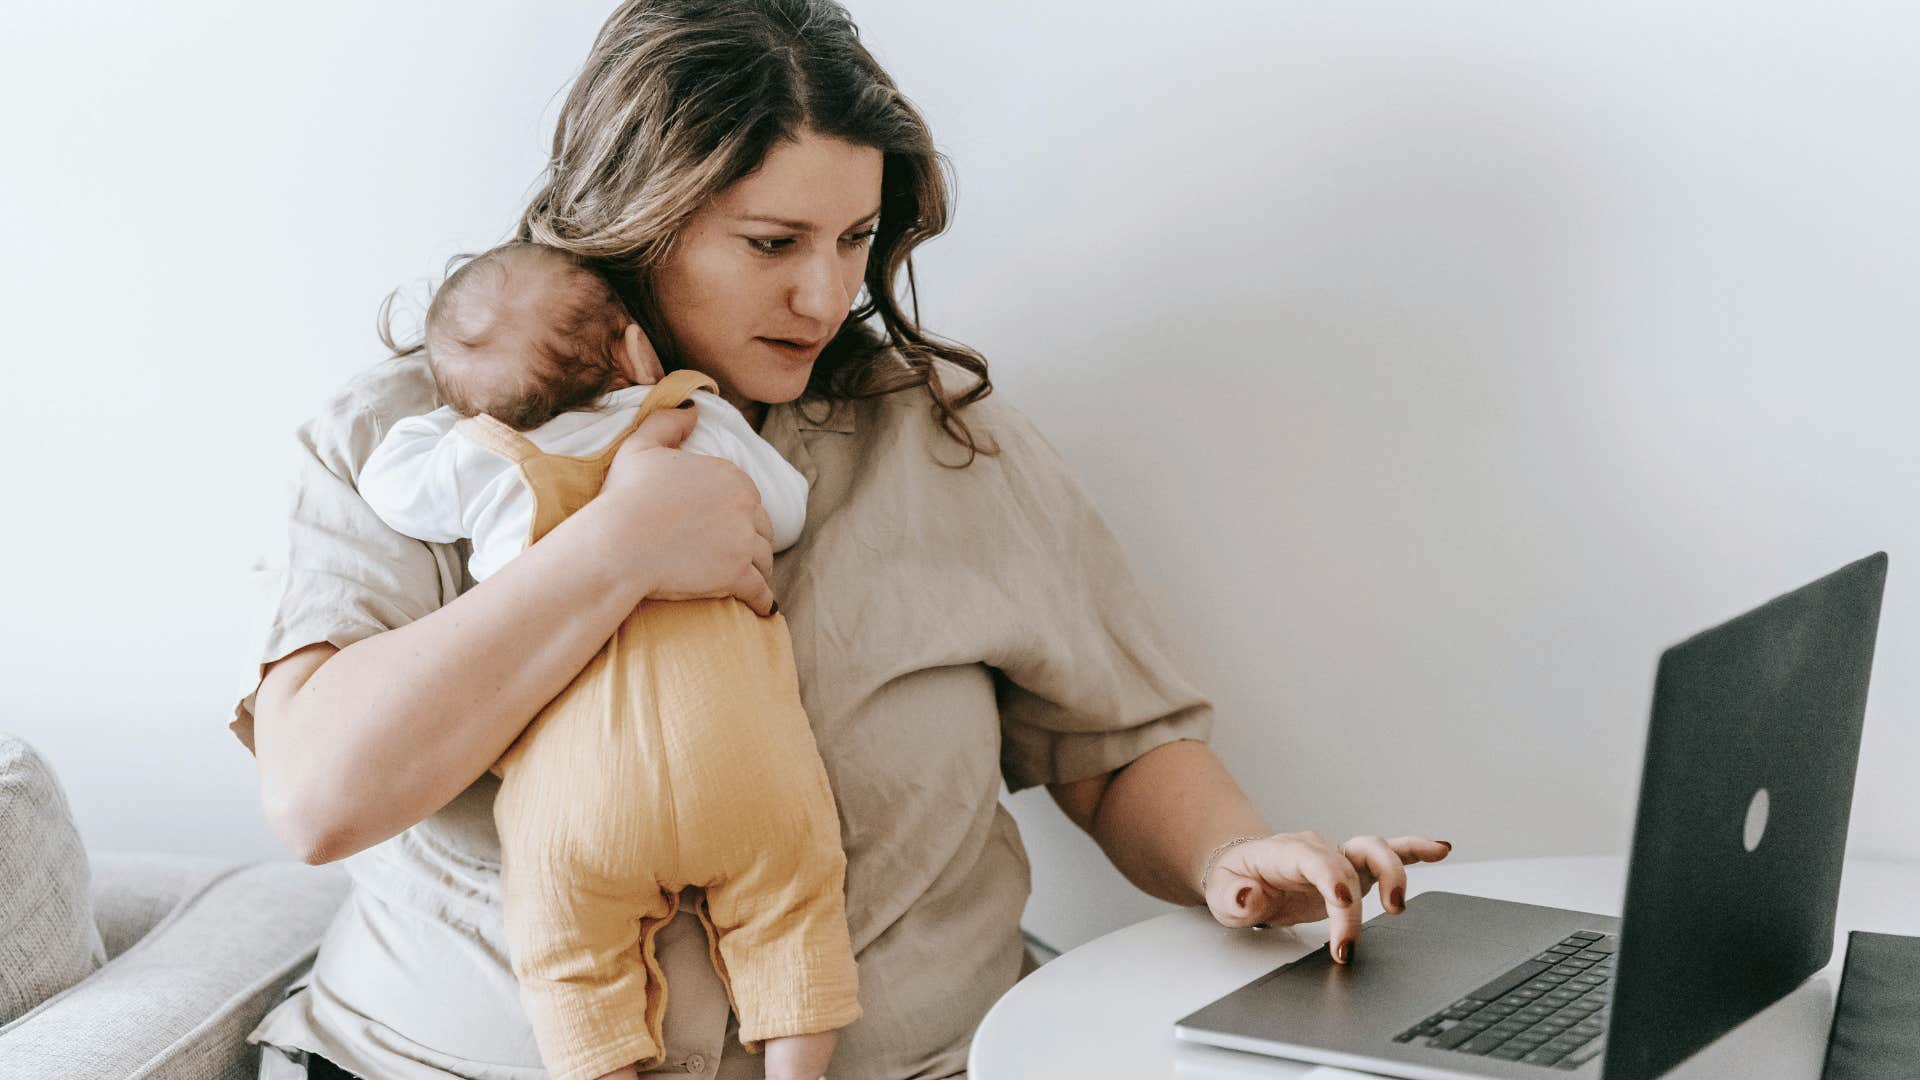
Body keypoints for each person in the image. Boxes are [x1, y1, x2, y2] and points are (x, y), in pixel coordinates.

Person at [233, 2, 1452, 1078]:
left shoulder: (942, 443)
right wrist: (611, 553)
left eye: (854, 240)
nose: (825, 296)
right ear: (634, 219)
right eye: (772, 244)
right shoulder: (414, 443)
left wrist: (1234, 856)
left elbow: (1112, 746)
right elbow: (321, 796)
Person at [355, 240, 858, 1080]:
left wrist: (462, 414)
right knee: (795, 907)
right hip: (736, 754)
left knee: (569, 958)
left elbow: (389, 482)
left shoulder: (488, 462)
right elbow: (785, 512)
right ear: (633, 347)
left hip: (578, 794)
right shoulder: (693, 418)